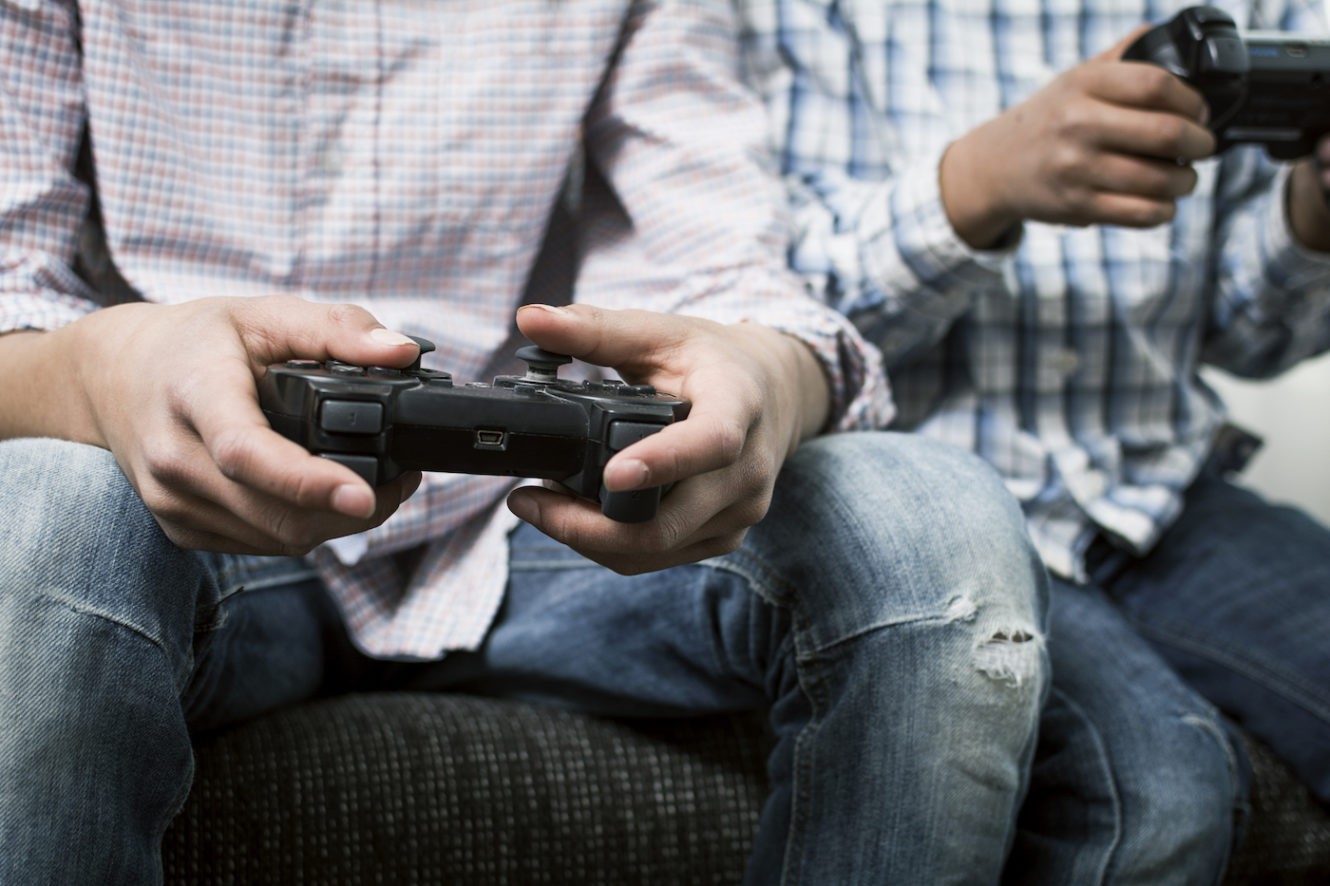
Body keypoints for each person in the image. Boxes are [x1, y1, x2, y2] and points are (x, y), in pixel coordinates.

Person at [0, 1, 1053, 882]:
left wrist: (764, 376)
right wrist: (107, 367)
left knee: (936, 514)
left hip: (528, 534)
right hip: (176, 500)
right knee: (45, 505)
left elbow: (720, 272)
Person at [738, 0, 1330, 880]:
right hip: (916, 498)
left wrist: (1314, 205)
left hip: (1155, 479)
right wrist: (975, 186)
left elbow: (1248, 330)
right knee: (1155, 800)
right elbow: (750, 311)